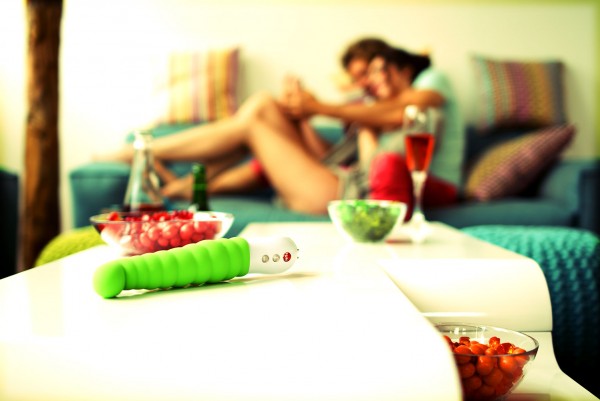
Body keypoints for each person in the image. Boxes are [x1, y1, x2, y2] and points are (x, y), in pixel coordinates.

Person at [98, 37, 391, 214]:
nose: (365, 83)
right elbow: (324, 159)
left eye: (370, 73)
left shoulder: (392, 109)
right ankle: (180, 179)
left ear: (390, 67)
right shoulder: (366, 109)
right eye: (358, 77)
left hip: (341, 193)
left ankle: (146, 152)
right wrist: (301, 118)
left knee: (254, 118)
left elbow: (372, 175)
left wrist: (355, 119)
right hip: (327, 178)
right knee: (263, 105)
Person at [282, 46, 464, 217]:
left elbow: (414, 104)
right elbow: (362, 167)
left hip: (434, 183)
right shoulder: (379, 115)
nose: (370, 80)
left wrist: (317, 107)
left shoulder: (430, 81)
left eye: (377, 71)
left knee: (387, 163)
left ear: (404, 71)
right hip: (395, 183)